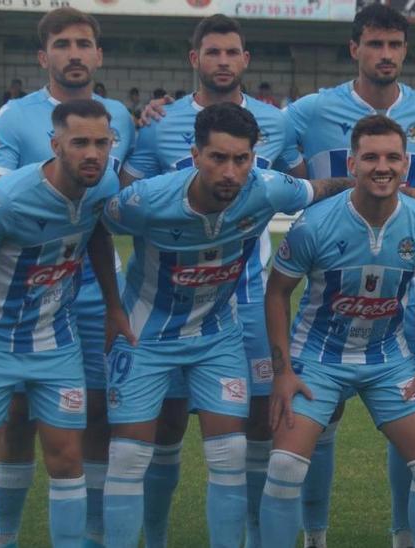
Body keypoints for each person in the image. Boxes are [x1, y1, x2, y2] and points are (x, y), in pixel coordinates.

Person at [100, 102, 361, 548]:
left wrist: (406, 193)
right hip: (146, 338)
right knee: (127, 457)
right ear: (196, 154)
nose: (230, 172)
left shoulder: (267, 188)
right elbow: (95, 227)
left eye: (241, 159)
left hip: (217, 337)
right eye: (218, 158)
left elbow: (323, 187)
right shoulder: (148, 199)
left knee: (231, 453)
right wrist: (112, 305)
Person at [121, 15, 306, 548]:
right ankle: (152, 536)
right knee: (169, 425)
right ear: (194, 59)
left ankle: (249, 536)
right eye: (213, 52)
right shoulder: (158, 123)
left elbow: (301, 190)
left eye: (232, 52)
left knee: (255, 424)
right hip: (170, 301)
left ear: (246, 60)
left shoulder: (278, 122)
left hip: (244, 296)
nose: (223, 61)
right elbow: (126, 196)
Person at [281, 6, 415, 545]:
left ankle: (404, 534)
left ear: (406, 50)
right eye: (375, 44)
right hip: (331, 293)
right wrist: (313, 193)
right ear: (354, 48)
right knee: (322, 426)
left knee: (413, 429)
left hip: (400, 297)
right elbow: (258, 145)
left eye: (395, 45)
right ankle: (315, 534)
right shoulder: (310, 110)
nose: (386, 55)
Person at [0, 9, 137, 548]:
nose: (74, 53)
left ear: (99, 55)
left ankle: (89, 535)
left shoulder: (121, 117)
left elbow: (124, 192)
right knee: (17, 416)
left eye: (84, 43)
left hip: (95, 292)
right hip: (30, 295)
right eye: (62, 44)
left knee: (97, 413)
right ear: (44, 57)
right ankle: (7, 537)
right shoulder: (15, 117)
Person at [261, 114, 415, 548]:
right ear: (352, 164)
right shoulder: (313, 224)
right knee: (286, 467)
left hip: (388, 359)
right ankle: (315, 539)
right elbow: (277, 294)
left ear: (406, 165)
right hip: (318, 359)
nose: (381, 166)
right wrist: (283, 371)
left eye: (391, 157)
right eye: (370, 157)